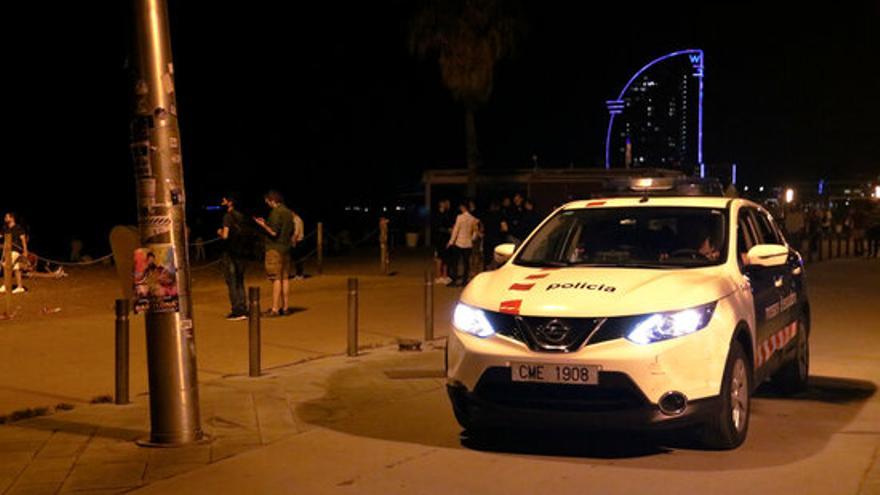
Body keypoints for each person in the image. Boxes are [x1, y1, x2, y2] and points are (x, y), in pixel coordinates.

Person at [254, 190, 295, 317]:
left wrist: (262, 225)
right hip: (286, 248)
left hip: (274, 249)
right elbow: (291, 230)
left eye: (267, 202)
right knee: (285, 278)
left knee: (276, 279)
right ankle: (285, 307)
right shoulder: (288, 212)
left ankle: (275, 308)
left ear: (272, 200)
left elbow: (273, 232)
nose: (267, 204)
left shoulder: (276, 212)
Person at [217, 194, 248, 320]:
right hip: (241, 252)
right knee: (240, 281)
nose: (222, 201)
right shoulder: (241, 216)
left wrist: (219, 232)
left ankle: (237, 310)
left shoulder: (227, 217)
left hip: (230, 253)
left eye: (224, 200)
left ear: (230, 202)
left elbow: (225, 235)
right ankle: (243, 307)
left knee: (232, 282)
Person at [446, 200, 479, 287]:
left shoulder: (459, 217)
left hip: (459, 243)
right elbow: (475, 231)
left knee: (455, 262)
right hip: (468, 244)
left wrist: (450, 242)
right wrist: (472, 239)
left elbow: (455, 230)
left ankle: (455, 281)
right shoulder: (473, 219)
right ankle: (464, 281)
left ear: (463, 207)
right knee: (466, 263)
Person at [0, 213, 29, 294]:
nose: (5, 218)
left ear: (12, 218)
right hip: (8, 251)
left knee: (6, 265)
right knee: (16, 268)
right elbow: (0, 236)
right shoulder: (5, 228)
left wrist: (25, 251)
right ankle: (20, 287)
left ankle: (6, 286)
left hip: (16, 250)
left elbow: (23, 240)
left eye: (6, 217)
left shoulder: (18, 228)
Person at [431, 199, 453, 284]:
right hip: (439, 239)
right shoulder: (437, 215)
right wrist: (448, 230)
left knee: (446, 258)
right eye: (446, 203)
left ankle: (445, 275)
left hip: (446, 239)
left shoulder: (447, 214)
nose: (448, 205)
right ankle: (438, 276)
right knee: (439, 258)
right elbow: (437, 227)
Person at [290, 209, 306, 280]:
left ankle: (299, 274)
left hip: (298, 241)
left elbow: (296, 232)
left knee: (298, 258)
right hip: (298, 241)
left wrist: (293, 242)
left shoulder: (297, 220)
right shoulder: (296, 219)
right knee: (296, 259)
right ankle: (298, 274)